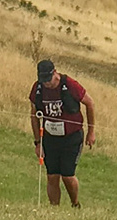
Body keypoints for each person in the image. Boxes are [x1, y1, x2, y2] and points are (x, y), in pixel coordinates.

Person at [29, 58, 95, 207]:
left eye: (49, 79)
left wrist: (91, 132)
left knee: (67, 176)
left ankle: (75, 203)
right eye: (43, 80)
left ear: (55, 72)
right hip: (50, 138)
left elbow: (90, 103)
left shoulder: (70, 85)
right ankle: (54, 209)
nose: (47, 83)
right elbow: (34, 114)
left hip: (71, 138)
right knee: (52, 176)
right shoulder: (38, 89)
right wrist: (38, 143)